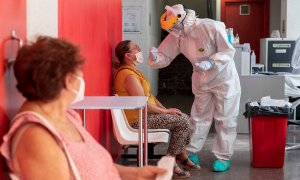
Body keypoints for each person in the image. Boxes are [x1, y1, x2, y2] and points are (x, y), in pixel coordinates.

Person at [0, 36, 167, 180]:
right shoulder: (36, 138)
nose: (82, 80)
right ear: (67, 80)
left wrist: (137, 174)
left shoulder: (67, 115)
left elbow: (95, 166)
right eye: (79, 73)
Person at [147, 4, 241, 172]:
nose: (173, 30)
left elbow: (228, 50)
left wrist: (212, 61)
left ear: (181, 19)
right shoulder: (178, 34)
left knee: (225, 118)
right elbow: (165, 56)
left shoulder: (210, 26)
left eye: (174, 26)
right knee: (198, 117)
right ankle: (192, 151)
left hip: (224, 79)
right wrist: (155, 56)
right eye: (170, 28)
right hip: (201, 79)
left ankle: (223, 157)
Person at [114, 40, 201, 179]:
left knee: (182, 117)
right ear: (127, 55)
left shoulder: (133, 72)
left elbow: (149, 96)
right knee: (183, 121)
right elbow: (142, 104)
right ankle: (171, 160)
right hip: (138, 121)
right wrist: (166, 112)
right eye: (136, 48)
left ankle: (180, 155)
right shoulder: (128, 75)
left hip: (145, 117)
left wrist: (167, 109)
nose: (139, 49)